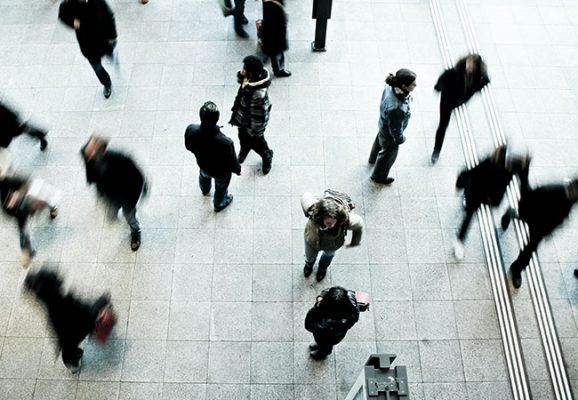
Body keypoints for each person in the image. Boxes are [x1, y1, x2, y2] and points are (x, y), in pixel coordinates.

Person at [24, 267, 114, 373]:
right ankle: (105, 303)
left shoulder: (48, 303)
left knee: (68, 349)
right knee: (97, 307)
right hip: (82, 324)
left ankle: (72, 364)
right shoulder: (67, 300)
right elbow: (86, 311)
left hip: (66, 336)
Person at [454, 145, 530, 260]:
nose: (510, 166)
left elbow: (524, 184)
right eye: (508, 163)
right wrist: (460, 182)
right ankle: (460, 240)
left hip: (494, 195)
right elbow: (474, 172)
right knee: (469, 214)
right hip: (478, 190)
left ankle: (508, 214)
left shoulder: (519, 165)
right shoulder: (490, 162)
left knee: (491, 205)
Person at [502, 178, 578, 289]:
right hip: (534, 216)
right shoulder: (553, 190)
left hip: (541, 228)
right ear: (572, 186)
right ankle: (511, 213)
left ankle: (516, 268)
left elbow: (562, 216)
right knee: (522, 219)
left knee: (530, 249)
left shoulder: (573, 199)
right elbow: (532, 195)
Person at [81, 135, 146, 251]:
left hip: (125, 194)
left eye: (92, 150)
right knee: (112, 211)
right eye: (88, 147)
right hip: (108, 193)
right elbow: (89, 168)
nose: (87, 151)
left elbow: (138, 176)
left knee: (129, 215)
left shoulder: (120, 158)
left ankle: (135, 231)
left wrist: (135, 196)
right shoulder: (86, 153)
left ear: (102, 151)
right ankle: (116, 214)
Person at [431, 54, 489, 164]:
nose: (470, 66)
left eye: (473, 65)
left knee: (444, 123)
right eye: (469, 63)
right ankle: (436, 150)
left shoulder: (479, 77)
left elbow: (485, 82)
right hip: (447, 102)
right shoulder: (453, 73)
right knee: (443, 125)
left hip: (460, 101)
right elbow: (441, 81)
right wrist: (439, 88)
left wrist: (473, 92)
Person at [185, 101, 241, 212]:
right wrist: (237, 169)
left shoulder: (191, 129)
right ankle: (219, 203)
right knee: (221, 188)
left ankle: (205, 190)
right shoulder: (225, 143)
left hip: (203, 164)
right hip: (220, 172)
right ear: (217, 119)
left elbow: (188, 146)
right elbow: (232, 161)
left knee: (204, 176)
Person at [58, 0, 117, 99]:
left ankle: (110, 55)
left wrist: (112, 36)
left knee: (109, 52)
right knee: (97, 68)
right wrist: (74, 23)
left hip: (103, 39)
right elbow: (63, 15)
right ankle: (107, 83)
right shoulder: (70, 4)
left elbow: (109, 16)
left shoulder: (97, 2)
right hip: (88, 45)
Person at [301, 191, 364, 282]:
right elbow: (305, 196)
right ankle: (308, 265)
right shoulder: (313, 211)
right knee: (309, 256)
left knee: (328, 256)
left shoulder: (345, 219)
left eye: (334, 221)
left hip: (333, 244)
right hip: (311, 240)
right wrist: (314, 204)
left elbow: (359, 223)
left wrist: (355, 242)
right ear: (321, 217)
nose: (332, 225)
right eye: (328, 223)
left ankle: (322, 269)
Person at [368, 69, 417, 185]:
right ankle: (379, 176)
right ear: (404, 86)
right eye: (413, 84)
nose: (416, 85)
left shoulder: (390, 86)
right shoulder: (396, 108)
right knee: (388, 154)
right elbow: (395, 129)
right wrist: (400, 139)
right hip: (390, 133)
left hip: (383, 123)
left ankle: (372, 158)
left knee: (379, 141)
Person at [0, 175, 59, 266]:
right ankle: (26, 252)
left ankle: (53, 209)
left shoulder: (9, 181)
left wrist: (17, 196)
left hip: (23, 205)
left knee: (45, 199)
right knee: (23, 229)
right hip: (19, 210)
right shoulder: (5, 185)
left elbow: (26, 182)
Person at [229, 55, 274, 175]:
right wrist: (241, 75)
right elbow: (243, 82)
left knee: (258, 144)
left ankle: (267, 157)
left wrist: (254, 132)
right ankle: (244, 149)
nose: (242, 70)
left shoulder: (259, 95)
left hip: (252, 127)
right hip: (243, 119)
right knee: (242, 137)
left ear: (251, 73)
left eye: (245, 69)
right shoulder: (251, 79)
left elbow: (260, 118)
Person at [305, 286, 360, 360]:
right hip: (328, 333)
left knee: (326, 345)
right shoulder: (348, 301)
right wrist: (320, 297)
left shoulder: (339, 320)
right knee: (322, 342)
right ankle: (320, 345)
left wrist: (322, 327)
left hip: (331, 336)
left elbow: (309, 324)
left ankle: (322, 353)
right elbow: (326, 291)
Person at [261, 0, 291, 77]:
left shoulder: (269, 3)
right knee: (275, 50)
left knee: (273, 49)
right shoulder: (271, 5)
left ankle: (267, 57)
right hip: (275, 32)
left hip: (272, 30)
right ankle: (278, 70)